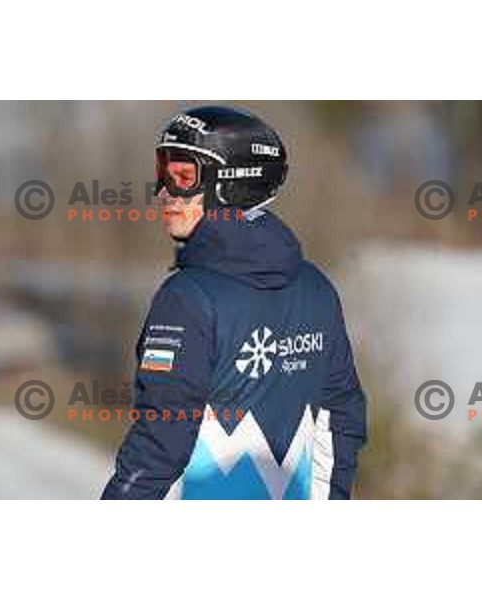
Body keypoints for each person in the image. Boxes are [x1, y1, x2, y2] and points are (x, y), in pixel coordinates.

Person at [101, 105, 366, 500]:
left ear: (228, 183)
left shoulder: (187, 299)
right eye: (163, 173)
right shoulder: (318, 289)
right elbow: (342, 423)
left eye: (182, 177)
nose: (162, 192)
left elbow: (159, 444)